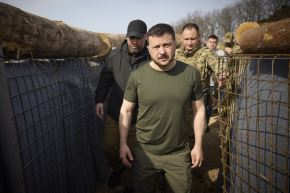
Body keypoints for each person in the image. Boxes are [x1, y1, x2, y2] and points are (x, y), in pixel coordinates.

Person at [119, 23, 206, 193]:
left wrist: (199, 144)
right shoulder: (137, 76)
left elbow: (199, 110)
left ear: (175, 44)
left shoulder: (191, 74)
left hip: (179, 153)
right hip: (145, 153)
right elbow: (126, 110)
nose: (162, 51)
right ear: (148, 48)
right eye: (156, 46)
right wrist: (122, 143)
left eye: (167, 45)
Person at [94, 19, 149, 192]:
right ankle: (118, 170)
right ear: (127, 37)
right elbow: (105, 79)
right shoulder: (115, 56)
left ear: (145, 37)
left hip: (138, 118)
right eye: (131, 37)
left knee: (133, 154)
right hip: (114, 113)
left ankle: (128, 182)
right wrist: (99, 100)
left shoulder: (151, 59)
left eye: (138, 38)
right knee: (109, 147)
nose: (134, 41)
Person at [175, 23, 220, 132]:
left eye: (193, 39)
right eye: (186, 39)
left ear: (198, 37)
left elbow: (220, 66)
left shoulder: (206, 53)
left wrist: (222, 74)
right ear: (182, 37)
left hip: (198, 99)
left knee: (195, 131)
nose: (189, 42)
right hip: (178, 98)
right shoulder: (176, 53)